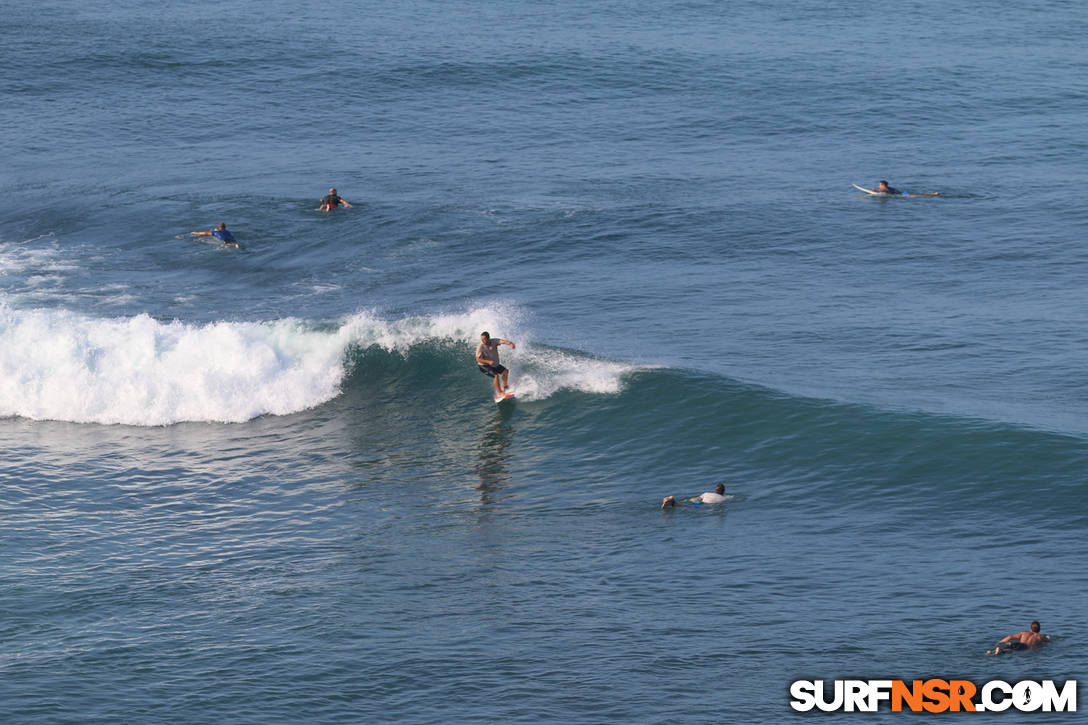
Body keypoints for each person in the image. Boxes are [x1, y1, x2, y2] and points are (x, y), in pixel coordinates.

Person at [475, 331, 515, 396]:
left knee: (505, 372)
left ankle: (505, 387)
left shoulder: (494, 341)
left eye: (484, 339)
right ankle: (500, 393)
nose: (483, 341)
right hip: (484, 365)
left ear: (488, 338)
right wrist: (488, 361)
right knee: (496, 375)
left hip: (494, 364)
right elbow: (477, 359)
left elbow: (503, 341)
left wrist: (510, 343)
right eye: (481, 339)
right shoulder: (480, 347)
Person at [661, 483, 727, 509]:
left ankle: (672, 502)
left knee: (687, 505)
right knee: (686, 507)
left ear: (715, 490)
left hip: (700, 502)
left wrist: (687, 500)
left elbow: (696, 498)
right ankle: (673, 502)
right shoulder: (724, 498)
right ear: (723, 491)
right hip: (705, 505)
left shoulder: (707, 493)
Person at [864, 180, 940, 197]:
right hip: (902, 193)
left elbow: (882, 190)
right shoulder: (888, 187)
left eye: (880, 185)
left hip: (903, 195)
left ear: (883, 185)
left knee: (918, 195)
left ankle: (933, 194)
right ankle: (933, 193)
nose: (879, 186)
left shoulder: (884, 188)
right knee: (918, 194)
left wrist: (874, 190)